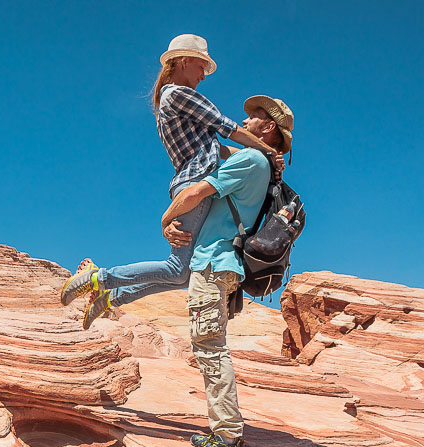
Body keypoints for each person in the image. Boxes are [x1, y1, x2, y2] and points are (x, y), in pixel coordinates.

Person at [60, 34, 284, 329]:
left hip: (191, 182)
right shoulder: (178, 93)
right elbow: (228, 129)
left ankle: (110, 297)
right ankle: (96, 278)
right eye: (202, 66)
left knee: (184, 274)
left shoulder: (174, 100)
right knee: (178, 270)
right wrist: (267, 150)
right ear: (184, 61)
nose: (204, 75)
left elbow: (220, 148)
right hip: (194, 184)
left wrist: (262, 156)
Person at [159, 95, 293, 447]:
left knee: (210, 348)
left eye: (254, 118)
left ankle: (228, 437)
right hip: (223, 266)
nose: (245, 120)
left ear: (268, 128)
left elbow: (197, 191)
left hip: (213, 264)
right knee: (210, 346)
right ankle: (223, 429)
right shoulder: (259, 162)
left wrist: (165, 219)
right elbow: (219, 146)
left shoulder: (251, 160)